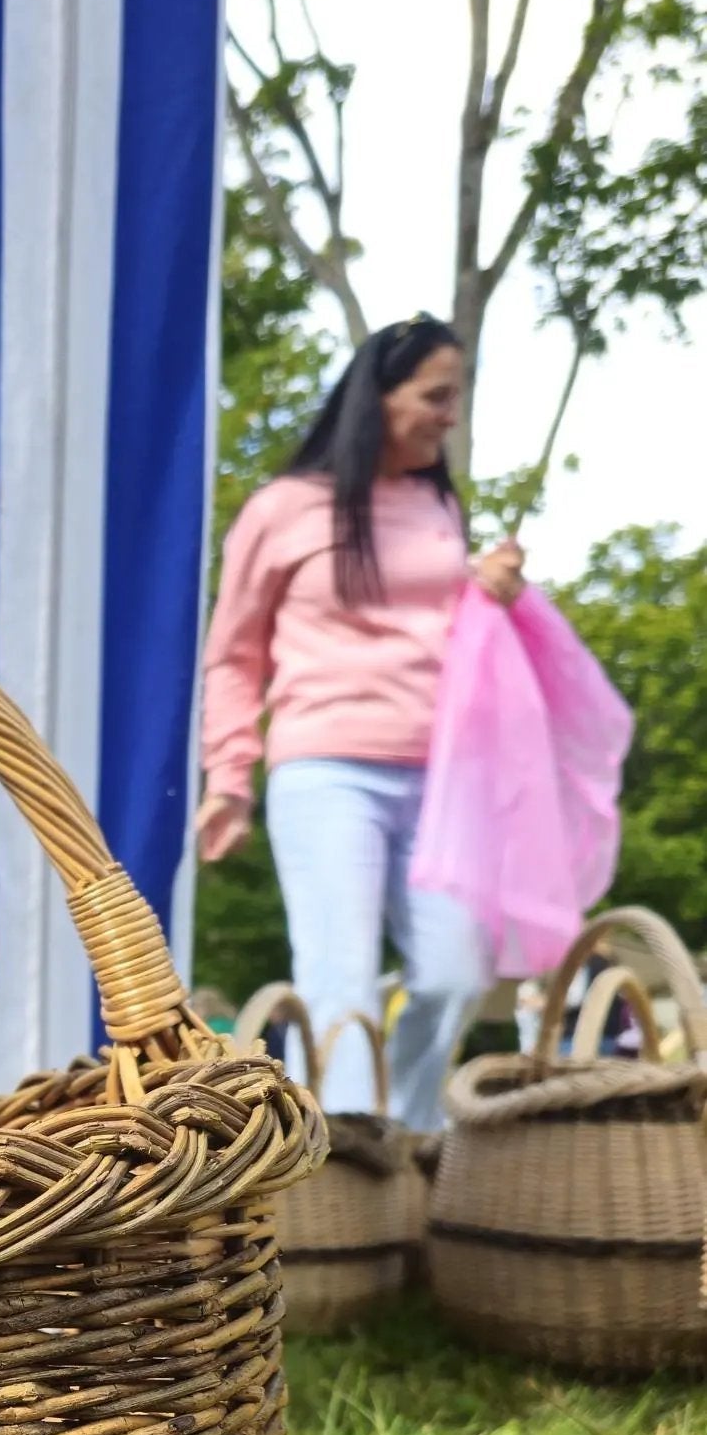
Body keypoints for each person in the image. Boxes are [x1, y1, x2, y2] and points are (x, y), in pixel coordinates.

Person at [198, 314, 524, 1125]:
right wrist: (229, 779)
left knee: (455, 975)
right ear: (377, 398)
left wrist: (490, 592)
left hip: (442, 777)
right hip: (327, 769)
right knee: (339, 981)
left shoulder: (434, 508)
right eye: (435, 396)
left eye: (458, 397)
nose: (450, 414)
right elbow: (234, 655)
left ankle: (406, 1144)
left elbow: (454, 640)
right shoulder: (284, 509)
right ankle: (341, 1171)